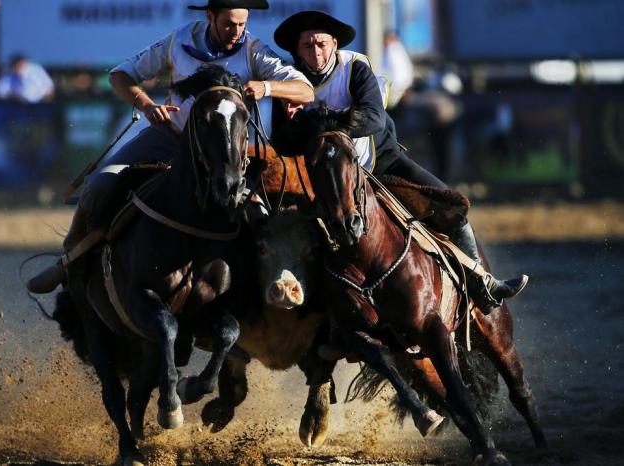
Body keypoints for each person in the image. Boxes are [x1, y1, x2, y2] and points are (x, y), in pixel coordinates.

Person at [26, 0, 314, 294]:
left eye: (242, 24)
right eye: (229, 24)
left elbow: (306, 89)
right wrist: (147, 105)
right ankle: (70, 262)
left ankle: (262, 292)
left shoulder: (253, 50)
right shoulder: (179, 42)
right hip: (171, 139)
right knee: (101, 185)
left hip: (226, 154)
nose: (236, 32)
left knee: (263, 214)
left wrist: (268, 87)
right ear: (210, 16)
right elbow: (120, 76)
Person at [271, 10, 527, 312]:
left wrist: (316, 120)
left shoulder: (355, 68)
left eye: (322, 44)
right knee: (278, 229)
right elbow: (283, 140)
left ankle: (483, 284)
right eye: (307, 46)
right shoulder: (287, 82)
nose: (316, 52)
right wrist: (321, 123)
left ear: (335, 43)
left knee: (451, 205)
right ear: (296, 50)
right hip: (322, 180)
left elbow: (373, 118)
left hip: (382, 163)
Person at [381, 29, 414, 109]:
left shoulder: (392, 49)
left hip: (397, 91)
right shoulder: (398, 49)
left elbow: (396, 73)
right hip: (402, 89)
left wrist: (395, 90)